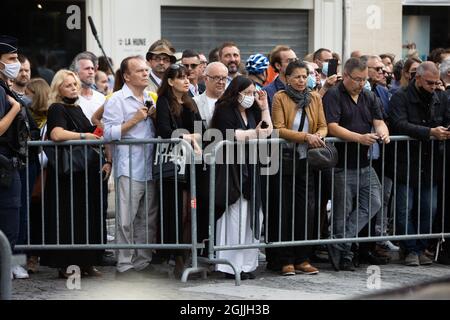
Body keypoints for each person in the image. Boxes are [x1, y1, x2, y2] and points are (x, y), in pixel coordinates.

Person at [40, 69, 109, 278]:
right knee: (69, 217)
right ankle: (68, 265)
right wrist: (84, 135)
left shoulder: (76, 108)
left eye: (75, 84)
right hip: (67, 175)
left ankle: (87, 262)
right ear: (58, 88)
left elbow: (92, 130)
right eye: (68, 84)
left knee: (86, 217)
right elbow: (56, 133)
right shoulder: (56, 108)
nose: (74, 87)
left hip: (84, 174)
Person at [323, 57, 389, 271]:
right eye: (357, 79)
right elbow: (332, 127)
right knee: (343, 210)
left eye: (364, 79)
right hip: (341, 163)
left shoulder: (369, 96)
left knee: (374, 202)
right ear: (347, 75)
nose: (361, 83)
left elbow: (379, 121)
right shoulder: (334, 95)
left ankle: (338, 242)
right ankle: (344, 254)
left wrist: (383, 133)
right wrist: (358, 137)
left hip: (364, 162)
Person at [388, 61, 450, 266]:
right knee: (404, 208)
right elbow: (399, 124)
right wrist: (430, 132)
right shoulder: (400, 97)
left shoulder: (440, 97)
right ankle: (411, 249)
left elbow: (446, 118)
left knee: (428, 208)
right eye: (429, 83)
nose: (433, 87)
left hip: (431, 163)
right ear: (418, 78)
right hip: (406, 162)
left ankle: (421, 247)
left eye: (436, 83)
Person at [210, 76, 272, 280]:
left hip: (252, 166)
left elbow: (267, 130)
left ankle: (247, 264)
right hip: (232, 169)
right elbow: (228, 134)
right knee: (234, 217)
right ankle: (230, 266)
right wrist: (253, 134)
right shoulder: (223, 110)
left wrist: (264, 108)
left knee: (253, 216)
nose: (250, 97)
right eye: (247, 93)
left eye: (253, 93)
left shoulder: (254, 109)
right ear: (236, 93)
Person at [103, 56, 158, 277]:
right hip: (129, 166)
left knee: (147, 218)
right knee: (125, 218)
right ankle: (124, 264)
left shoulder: (149, 97)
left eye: (146, 70)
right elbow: (108, 133)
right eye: (140, 71)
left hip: (148, 166)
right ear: (127, 76)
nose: (146, 73)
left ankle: (143, 262)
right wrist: (134, 120)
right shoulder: (116, 100)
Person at [271, 61, 327, 276]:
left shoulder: (315, 97)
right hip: (285, 161)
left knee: (307, 211)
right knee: (285, 210)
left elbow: (322, 124)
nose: (302, 81)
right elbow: (278, 129)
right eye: (297, 77)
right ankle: (285, 259)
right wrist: (306, 137)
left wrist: (318, 136)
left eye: (305, 76)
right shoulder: (280, 97)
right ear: (287, 78)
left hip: (307, 161)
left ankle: (303, 258)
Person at [155, 64, 202, 277]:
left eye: (187, 77)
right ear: (170, 81)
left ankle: (185, 252)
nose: (186, 81)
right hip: (172, 164)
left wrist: (193, 137)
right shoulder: (164, 101)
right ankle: (176, 255)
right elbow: (164, 130)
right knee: (177, 210)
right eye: (180, 77)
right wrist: (188, 137)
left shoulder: (190, 101)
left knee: (190, 211)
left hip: (191, 163)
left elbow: (201, 129)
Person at [0, 35, 30, 279]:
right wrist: (16, 109)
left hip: (9, 164)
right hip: (3, 164)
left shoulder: (4, 87)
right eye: (11, 58)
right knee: (9, 218)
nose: (17, 63)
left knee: (12, 217)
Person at [72, 53, 106, 124]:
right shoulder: (70, 99)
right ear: (76, 73)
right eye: (87, 68)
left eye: (92, 68)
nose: (91, 72)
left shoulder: (101, 98)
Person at [263, 45, 298, 110]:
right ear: (278, 65)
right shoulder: (267, 92)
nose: (295, 63)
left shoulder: (303, 88)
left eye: (296, 60)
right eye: (290, 61)